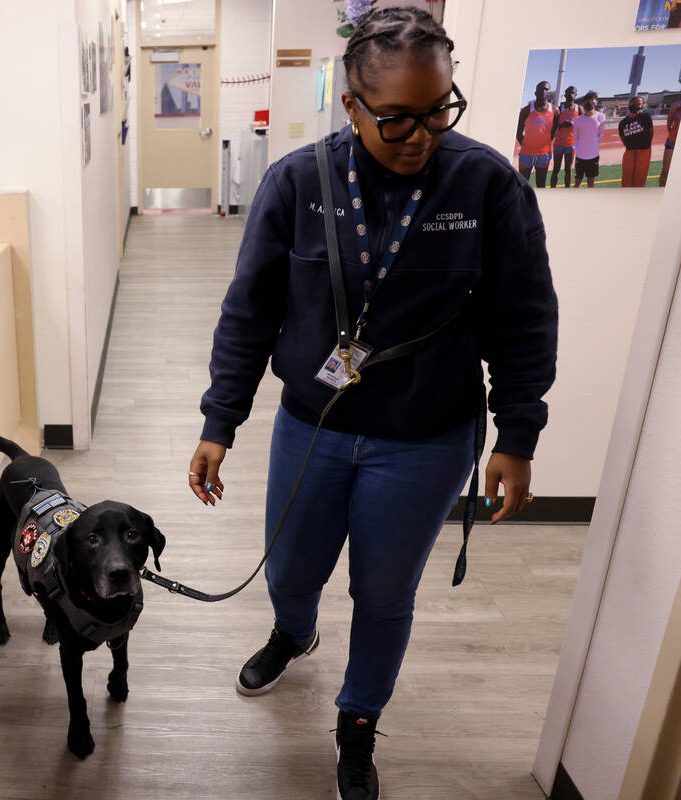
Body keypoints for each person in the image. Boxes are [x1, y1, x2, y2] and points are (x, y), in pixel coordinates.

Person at [186, 7, 558, 800]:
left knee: (384, 592)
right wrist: (221, 420)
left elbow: (525, 318)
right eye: (395, 119)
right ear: (351, 105)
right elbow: (248, 310)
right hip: (311, 425)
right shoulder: (295, 182)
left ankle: (358, 721)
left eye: (438, 111)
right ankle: (294, 631)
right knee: (290, 569)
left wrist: (517, 434)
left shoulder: (488, 184)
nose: (421, 134)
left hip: (426, 439)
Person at [515, 80, 556, 187]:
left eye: (546, 89)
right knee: (523, 184)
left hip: (544, 154)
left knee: (541, 184)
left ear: (549, 92)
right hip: (527, 154)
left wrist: (546, 141)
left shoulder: (554, 110)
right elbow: (518, 131)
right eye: (540, 89)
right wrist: (525, 144)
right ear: (535, 93)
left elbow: (554, 129)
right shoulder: (526, 110)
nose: (543, 91)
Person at [572, 90, 606, 189]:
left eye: (592, 101)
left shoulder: (601, 117)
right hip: (580, 155)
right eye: (587, 101)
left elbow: (600, 134)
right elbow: (576, 137)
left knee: (591, 182)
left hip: (593, 155)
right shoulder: (578, 120)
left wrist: (593, 146)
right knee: (578, 182)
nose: (589, 103)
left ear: (596, 102)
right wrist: (580, 148)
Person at [619, 95, 654, 188]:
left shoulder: (645, 117)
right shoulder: (623, 123)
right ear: (629, 104)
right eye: (634, 103)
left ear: (642, 106)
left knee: (640, 178)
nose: (636, 105)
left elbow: (651, 132)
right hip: (629, 152)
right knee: (627, 178)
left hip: (644, 152)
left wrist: (645, 145)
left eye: (639, 104)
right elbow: (622, 137)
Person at [550, 85, 579, 188]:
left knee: (568, 169)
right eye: (568, 92)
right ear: (565, 95)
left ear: (576, 94)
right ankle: (552, 190)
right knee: (556, 168)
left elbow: (583, 124)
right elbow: (553, 124)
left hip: (571, 145)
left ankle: (567, 191)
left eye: (572, 93)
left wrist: (573, 123)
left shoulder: (579, 109)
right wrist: (561, 125)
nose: (570, 95)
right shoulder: (559, 108)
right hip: (558, 144)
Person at [660, 96, 681, 186]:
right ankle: (660, 195)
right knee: (666, 173)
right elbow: (669, 124)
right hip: (673, 142)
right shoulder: (676, 105)